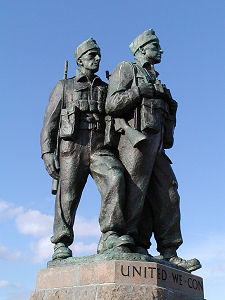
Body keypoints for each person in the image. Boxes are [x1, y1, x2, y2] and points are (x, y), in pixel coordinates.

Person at [105, 29, 201, 271]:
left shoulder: (155, 78)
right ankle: (123, 241)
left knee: (169, 192)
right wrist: (139, 92)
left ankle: (170, 250)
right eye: (155, 46)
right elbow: (112, 104)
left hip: (156, 145)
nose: (160, 50)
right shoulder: (126, 69)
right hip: (134, 141)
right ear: (142, 49)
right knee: (135, 190)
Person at [41, 38, 133, 260]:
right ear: (80, 60)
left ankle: (111, 232)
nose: (97, 59)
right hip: (72, 146)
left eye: (99, 55)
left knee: (115, 177)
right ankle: (61, 242)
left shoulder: (105, 88)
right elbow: (49, 123)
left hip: (100, 146)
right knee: (68, 196)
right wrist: (47, 153)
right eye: (92, 55)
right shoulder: (64, 87)